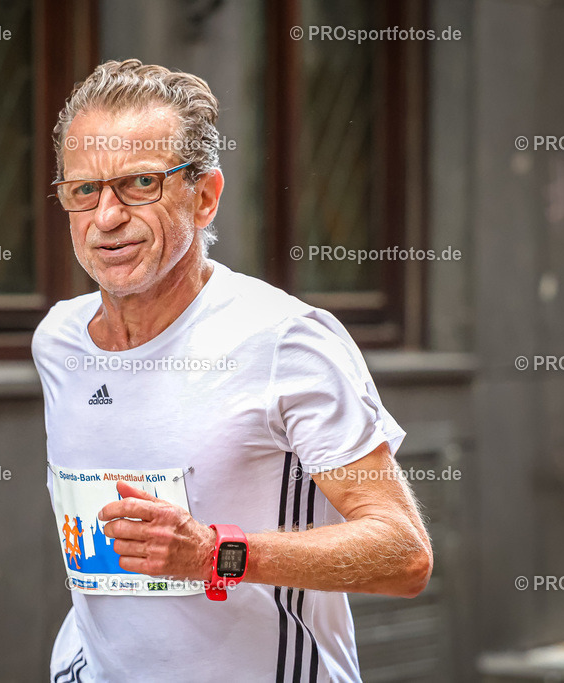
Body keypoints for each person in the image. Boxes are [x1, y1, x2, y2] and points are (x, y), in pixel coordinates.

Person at [32, 59, 433, 683]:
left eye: (139, 184)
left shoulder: (286, 340)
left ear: (205, 196)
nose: (106, 218)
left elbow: (402, 554)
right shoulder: (58, 341)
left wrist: (215, 553)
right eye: (84, 190)